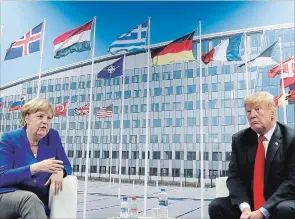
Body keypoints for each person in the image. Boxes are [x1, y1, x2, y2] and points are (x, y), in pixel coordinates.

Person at [208, 92, 295, 219]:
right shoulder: (240, 139)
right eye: (248, 111)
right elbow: (234, 178)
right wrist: (245, 208)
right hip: (250, 203)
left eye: (257, 110)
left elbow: (292, 181)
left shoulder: (291, 138)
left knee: (286, 210)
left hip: (279, 202)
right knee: (217, 206)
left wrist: (263, 211)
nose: (252, 115)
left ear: (272, 113)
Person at [0, 98, 72, 219]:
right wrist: (35, 168)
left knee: (33, 201)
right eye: (40, 116)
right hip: (6, 197)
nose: (45, 122)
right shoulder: (9, 138)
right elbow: (2, 177)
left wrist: (60, 171)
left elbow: (67, 165)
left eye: (49, 118)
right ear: (27, 118)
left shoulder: (53, 136)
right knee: (30, 199)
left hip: (38, 203)